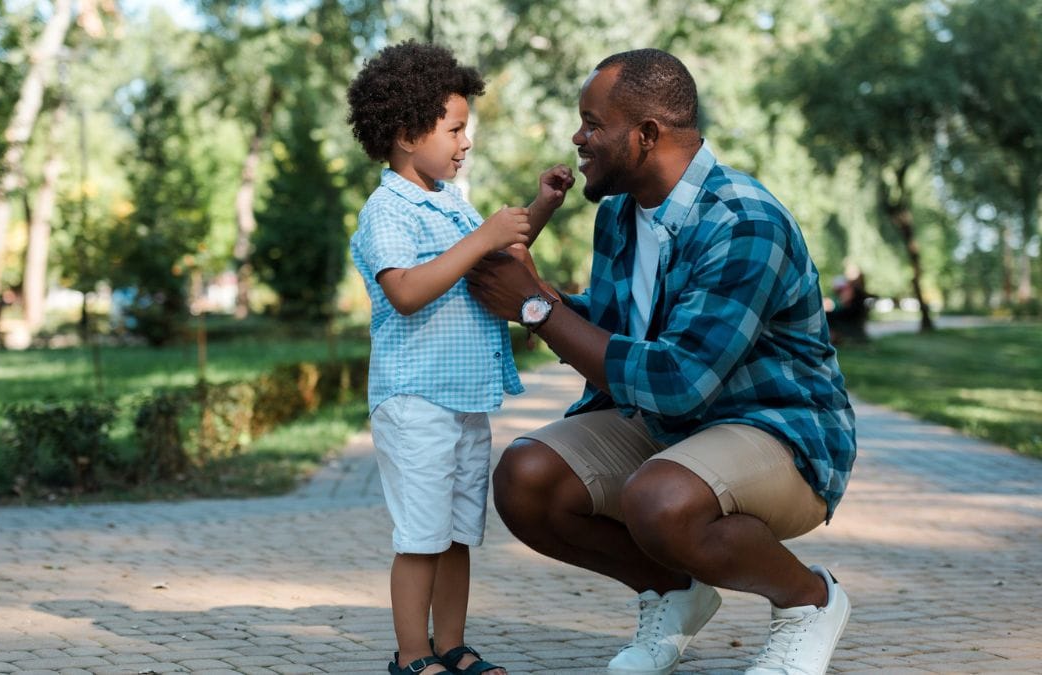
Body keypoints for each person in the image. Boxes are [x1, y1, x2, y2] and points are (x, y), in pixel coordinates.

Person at [465, 48, 857, 675]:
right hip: (673, 427)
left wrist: (539, 310)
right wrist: (545, 297)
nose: (578, 138)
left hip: (780, 430)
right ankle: (676, 592)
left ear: (647, 135)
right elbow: (628, 327)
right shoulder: (621, 212)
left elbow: (677, 380)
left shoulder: (744, 221)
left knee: (661, 499)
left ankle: (809, 601)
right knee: (526, 478)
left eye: (592, 123)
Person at [346, 41, 574, 675]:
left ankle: (452, 645)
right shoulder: (387, 211)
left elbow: (495, 256)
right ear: (404, 133)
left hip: (464, 397)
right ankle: (412, 655)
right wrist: (482, 236)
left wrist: (543, 206)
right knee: (420, 537)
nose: (464, 142)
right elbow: (408, 291)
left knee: (456, 535)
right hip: (415, 397)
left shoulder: (450, 202)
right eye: (454, 129)